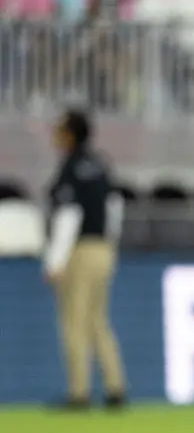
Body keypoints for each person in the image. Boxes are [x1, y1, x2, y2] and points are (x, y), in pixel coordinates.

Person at [42, 108, 127, 409]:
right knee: (97, 320)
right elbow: (115, 206)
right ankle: (115, 387)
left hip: (79, 250)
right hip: (103, 248)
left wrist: (55, 260)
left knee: (74, 323)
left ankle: (78, 393)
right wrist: (110, 244)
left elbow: (69, 215)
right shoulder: (100, 164)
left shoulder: (71, 167)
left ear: (69, 134)